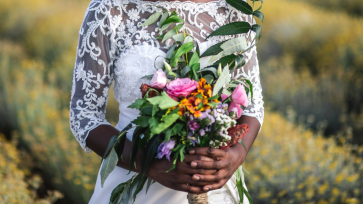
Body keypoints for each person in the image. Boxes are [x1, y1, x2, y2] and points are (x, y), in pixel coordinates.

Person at [69, 0, 264, 203]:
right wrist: (149, 165)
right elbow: (84, 114)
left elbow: (252, 104)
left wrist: (234, 157)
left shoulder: (234, 10)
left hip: (215, 187)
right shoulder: (108, 10)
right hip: (133, 183)